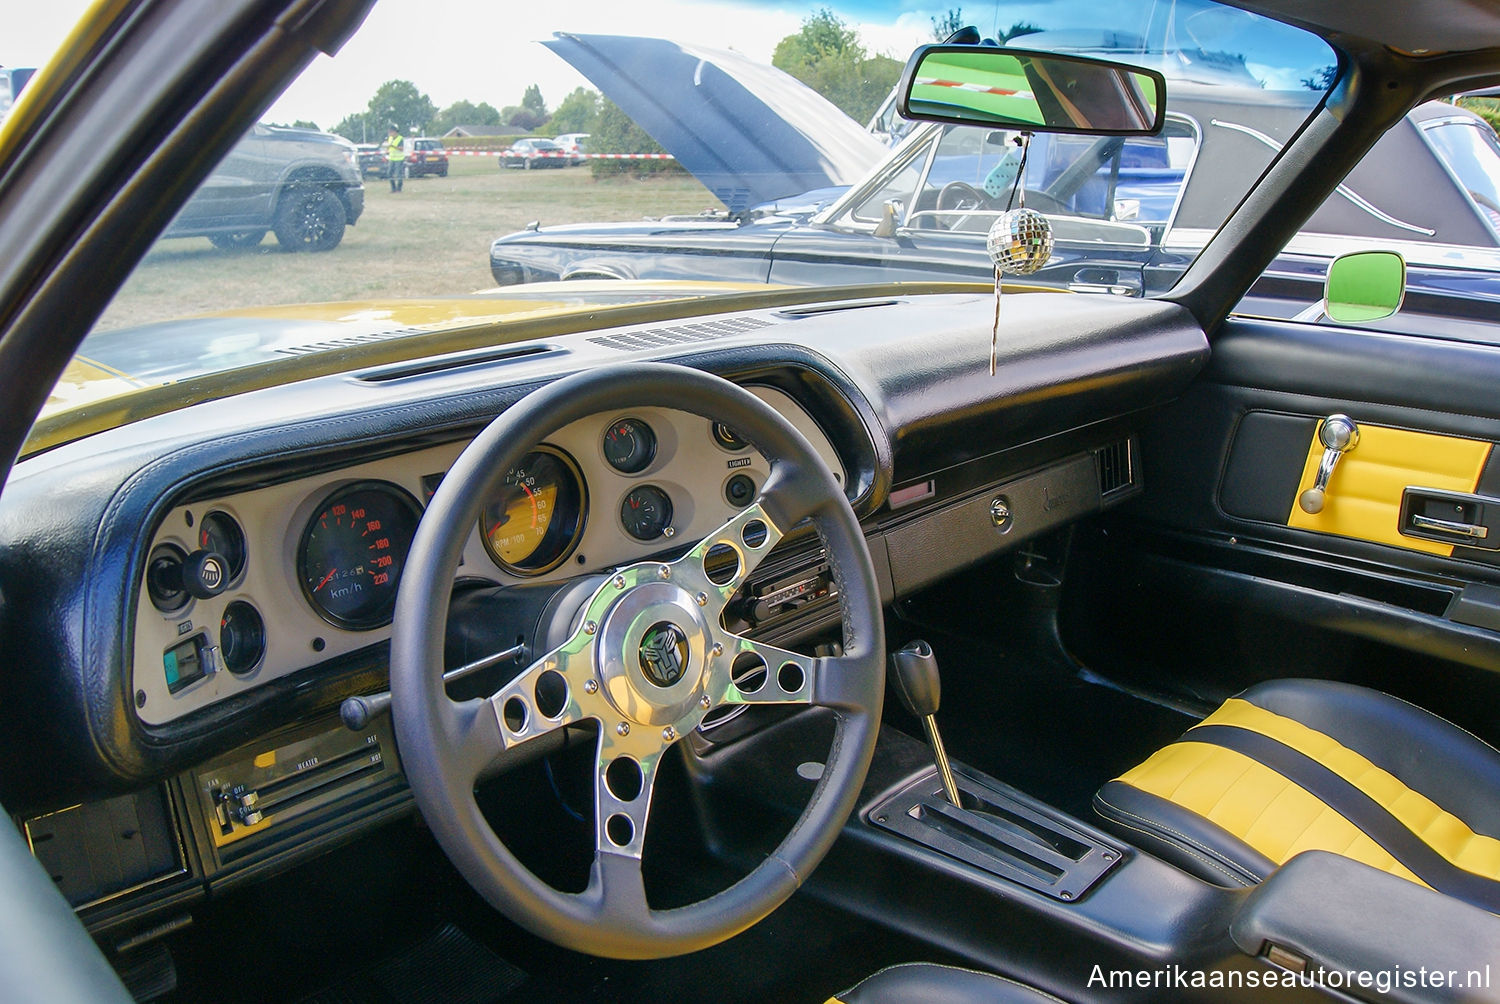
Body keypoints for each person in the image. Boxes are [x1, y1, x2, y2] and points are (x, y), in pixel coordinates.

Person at [383, 125, 405, 192]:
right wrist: (387, 150)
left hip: (399, 158)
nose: (390, 133)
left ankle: (399, 188)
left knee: (398, 174)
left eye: (391, 132)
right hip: (391, 158)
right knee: (389, 173)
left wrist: (393, 146)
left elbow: (401, 148)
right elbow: (388, 147)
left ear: (395, 132)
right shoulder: (390, 138)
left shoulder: (400, 138)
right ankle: (393, 188)